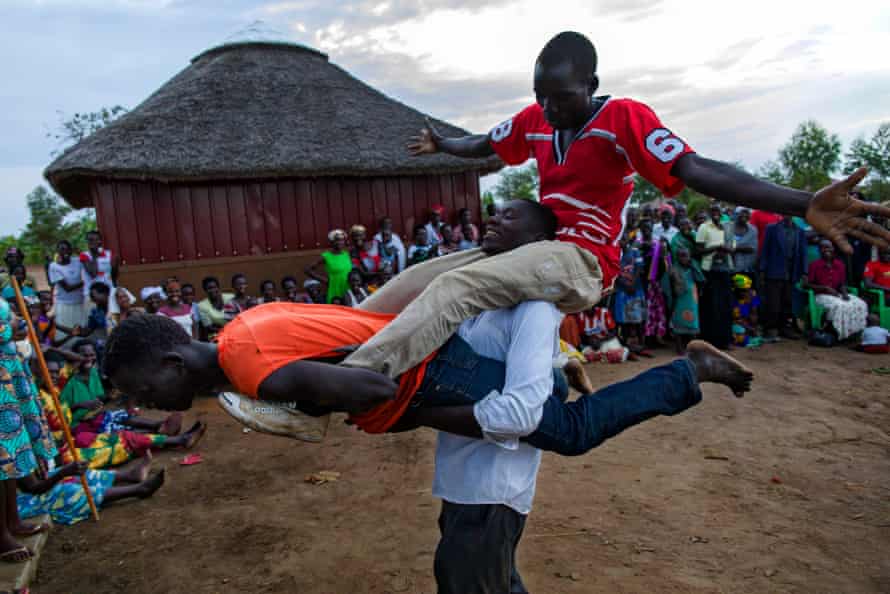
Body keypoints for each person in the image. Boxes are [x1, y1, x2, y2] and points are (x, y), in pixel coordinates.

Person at [103, 200, 753, 593]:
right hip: (441, 367)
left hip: (438, 380)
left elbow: (375, 383)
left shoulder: (253, 370)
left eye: (144, 390)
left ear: (169, 360)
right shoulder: (246, 326)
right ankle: (677, 375)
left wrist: (323, 408)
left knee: (566, 435)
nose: (150, 405)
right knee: (476, 560)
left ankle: (686, 374)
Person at [342, 30, 888, 383]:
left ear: (591, 84)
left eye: (561, 97)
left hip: (583, 261)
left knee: (456, 289)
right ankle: (323, 344)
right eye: (541, 98)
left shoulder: (622, 119)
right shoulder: (535, 121)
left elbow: (697, 170)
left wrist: (800, 202)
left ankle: (354, 378)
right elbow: (485, 142)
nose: (550, 110)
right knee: (414, 281)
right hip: (533, 249)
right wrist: (442, 146)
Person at [17, 455, 165, 526]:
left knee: (77, 474)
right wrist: (61, 475)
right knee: (68, 491)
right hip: (19, 503)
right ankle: (139, 489)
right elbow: (33, 488)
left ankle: (130, 475)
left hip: (26, 487)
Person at [804, 240, 868, 340]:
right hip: (821, 295)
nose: (826, 250)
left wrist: (844, 293)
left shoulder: (840, 265)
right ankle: (838, 332)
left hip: (837, 294)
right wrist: (825, 288)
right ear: (819, 250)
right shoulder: (814, 265)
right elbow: (807, 284)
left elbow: (842, 283)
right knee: (839, 306)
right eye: (823, 247)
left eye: (829, 247)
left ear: (833, 249)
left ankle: (854, 332)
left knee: (860, 304)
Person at [760, 217, 808, 339]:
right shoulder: (772, 228)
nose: (788, 215)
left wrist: (804, 272)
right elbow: (765, 250)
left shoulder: (799, 231)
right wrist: (762, 269)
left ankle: (783, 327)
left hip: (791, 272)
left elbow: (803, 252)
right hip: (774, 270)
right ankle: (770, 328)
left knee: (787, 302)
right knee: (773, 302)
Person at [696, 203, 734, 349]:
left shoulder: (727, 226)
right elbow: (699, 250)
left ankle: (725, 340)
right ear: (709, 213)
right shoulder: (704, 227)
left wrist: (726, 250)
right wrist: (716, 248)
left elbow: (732, 246)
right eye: (713, 211)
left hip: (725, 269)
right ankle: (710, 341)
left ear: (722, 212)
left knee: (726, 306)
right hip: (710, 271)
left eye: (718, 210)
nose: (716, 213)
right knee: (711, 306)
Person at [663, 247, 704, 353]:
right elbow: (665, 284)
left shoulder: (693, 267)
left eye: (686, 255)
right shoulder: (672, 269)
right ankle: (679, 348)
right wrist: (670, 298)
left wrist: (693, 266)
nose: (683, 258)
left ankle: (693, 348)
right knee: (678, 323)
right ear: (677, 257)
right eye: (681, 255)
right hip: (679, 300)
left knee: (693, 323)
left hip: (691, 299)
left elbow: (701, 279)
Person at [48, 239, 86, 341]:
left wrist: (81, 253)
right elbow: (67, 288)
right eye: (61, 249)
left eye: (67, 249)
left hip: (80, 303)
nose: (64, 252)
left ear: (71, 250)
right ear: (57, 251)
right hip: (64, 305)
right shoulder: (53, 266)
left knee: (80, 331)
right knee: (66, 333)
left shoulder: (78, 261)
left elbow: (89, 264)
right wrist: (86, 282)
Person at [612, 233, 646, 346]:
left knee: (638, 319)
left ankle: (641, 343)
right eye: (620, 239)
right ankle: (625, 342)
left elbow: (639, 269)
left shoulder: (635, 252)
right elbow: (613, 272)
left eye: (624, 239)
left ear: (628, 240)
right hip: (621, 290)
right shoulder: (614, 253)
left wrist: (632, 284)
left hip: (636, 288)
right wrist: (626, 285)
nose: (622, 241)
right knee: (623, 320)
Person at [305, 230, 352, 304]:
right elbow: (307, 270)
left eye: (342, 240)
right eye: (337, 240)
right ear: (332, 242)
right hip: (335, 288)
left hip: (348, 288)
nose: (340, 242)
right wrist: (324, 280)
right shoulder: (326, 256)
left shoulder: (347, 254)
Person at [80, 230, 118, 303]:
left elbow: (114, 276)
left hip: (109, 291)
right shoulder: (84, 255)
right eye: (90, 240)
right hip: (92, 294)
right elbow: (93, 274)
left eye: (96, 239)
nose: (92, 242)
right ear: (87, 242)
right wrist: (95, 255)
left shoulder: (109, 254)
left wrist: (115, 267)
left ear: (100, 241)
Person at [197, 276, 233, 341]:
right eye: (209, 288)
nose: (212, 290)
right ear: (205, 290)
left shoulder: (230, 298)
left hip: (234, 332)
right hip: (215, 335)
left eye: (214, 287)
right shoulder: (201, 306)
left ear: (218, 287)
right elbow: (209, 327)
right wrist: (227, 331)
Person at [731, 274, 760, 347]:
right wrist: (750, 329)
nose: (748, 292)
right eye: (744, 290)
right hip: (738, 324)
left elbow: (754, 314)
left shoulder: (752, 297)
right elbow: (737, 320)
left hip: (747, 324)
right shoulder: (734, 303)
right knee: (740, 334)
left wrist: (752, 304)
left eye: (749, 290)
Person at [732, 208, 758, 281]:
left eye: (747, 214)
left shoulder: (753, 230)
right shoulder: (727, 226)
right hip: (728, 266)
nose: (744, 215)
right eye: (742, 213)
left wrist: (734, 248)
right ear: (736, 215)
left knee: (743, 289)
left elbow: (752, 249)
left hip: (745, 267)